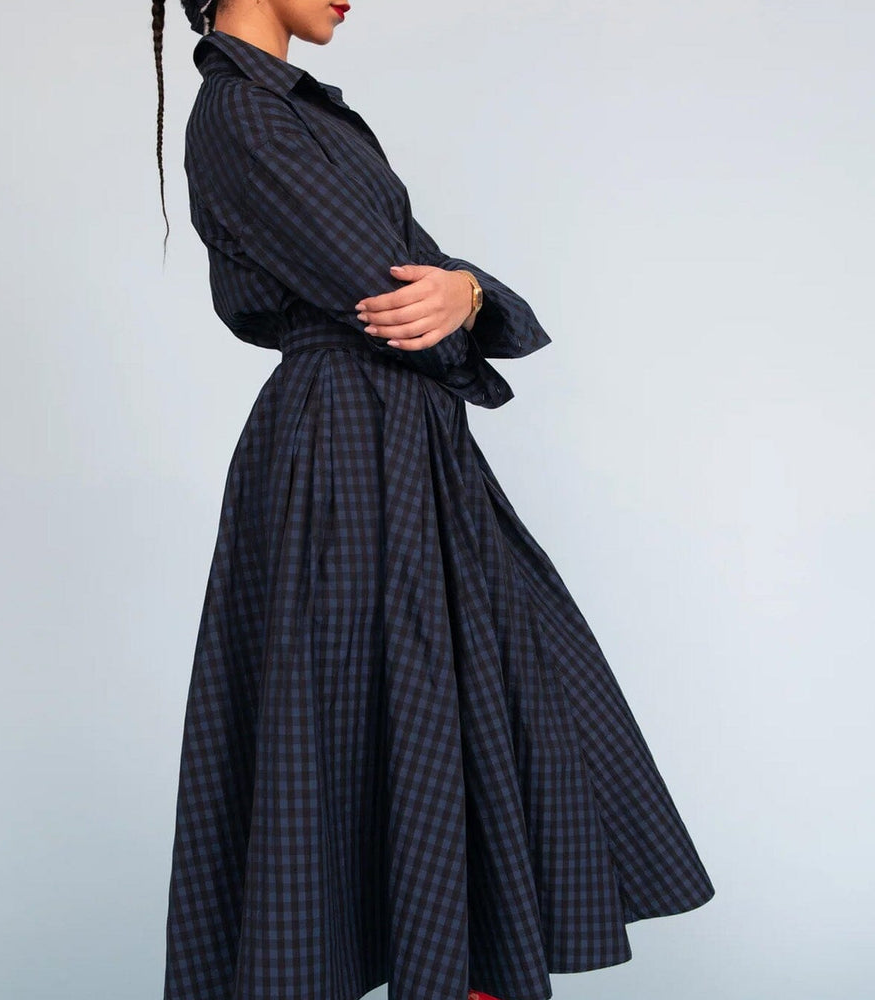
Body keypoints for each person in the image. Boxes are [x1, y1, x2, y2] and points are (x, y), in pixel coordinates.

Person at [150, 4, 716, 1000]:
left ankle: (454, 965)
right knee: (366, 726)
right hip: (343, 451)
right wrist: (459, 295)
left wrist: (463, 290)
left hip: (402, 446)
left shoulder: (301, 114)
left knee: (474, 715)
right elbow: (393, 296)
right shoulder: (241, 112)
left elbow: (435, 285)